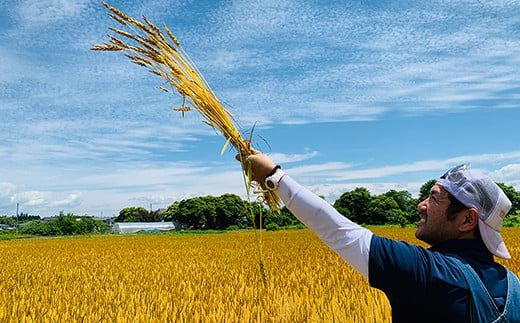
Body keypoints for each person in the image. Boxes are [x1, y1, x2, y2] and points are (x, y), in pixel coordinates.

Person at [238, 149, 520, 322]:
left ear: (467, 219)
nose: (421, 205)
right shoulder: (514, 286)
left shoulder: (429, 273)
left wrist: (274, 177)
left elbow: (339, 231)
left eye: (434, 198)